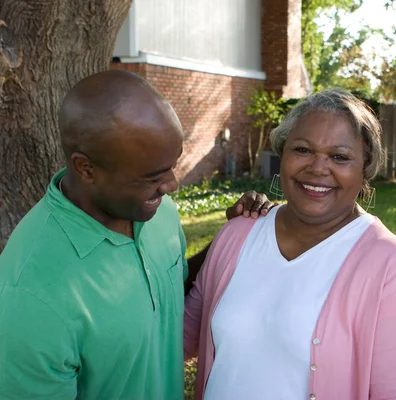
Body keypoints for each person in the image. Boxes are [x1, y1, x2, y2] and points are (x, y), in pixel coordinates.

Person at [0, 70, 270, 399]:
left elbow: (164, 296)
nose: (172, 184)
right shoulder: (30, 293)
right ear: (86, 168)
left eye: (173, 165)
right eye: (153, 175)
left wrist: (230, 239)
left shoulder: (159, 212)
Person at [183, 88, 396, 400]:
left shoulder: (389, 265)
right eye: (303, 150)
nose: (317, 168)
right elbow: (179, 337)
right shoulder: (238, 234)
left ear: (364, 169)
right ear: (282, 154)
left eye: (339, 157)